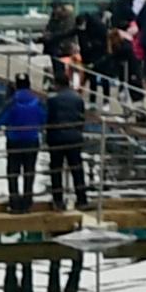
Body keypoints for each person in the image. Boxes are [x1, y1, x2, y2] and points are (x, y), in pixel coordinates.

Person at [43, 70, 91, 208]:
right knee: (77, 169)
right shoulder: (77, 98)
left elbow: (49, 119)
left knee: (56, 170)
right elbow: (81, 118)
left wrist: (48, 136)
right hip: (74, 137)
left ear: (57, 84)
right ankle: (82, 199)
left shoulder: (53, 100)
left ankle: (58, 200)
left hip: (57, 138)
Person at [0, 73, 46, 209]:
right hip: (32, 140)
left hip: (14, 142)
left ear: (16, 85)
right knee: (29, 171)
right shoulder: (37, 101)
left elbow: (2, 118)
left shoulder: (12, 101)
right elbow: (43, 118)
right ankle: (27, 202)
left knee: (13, 172)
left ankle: (14, 202)